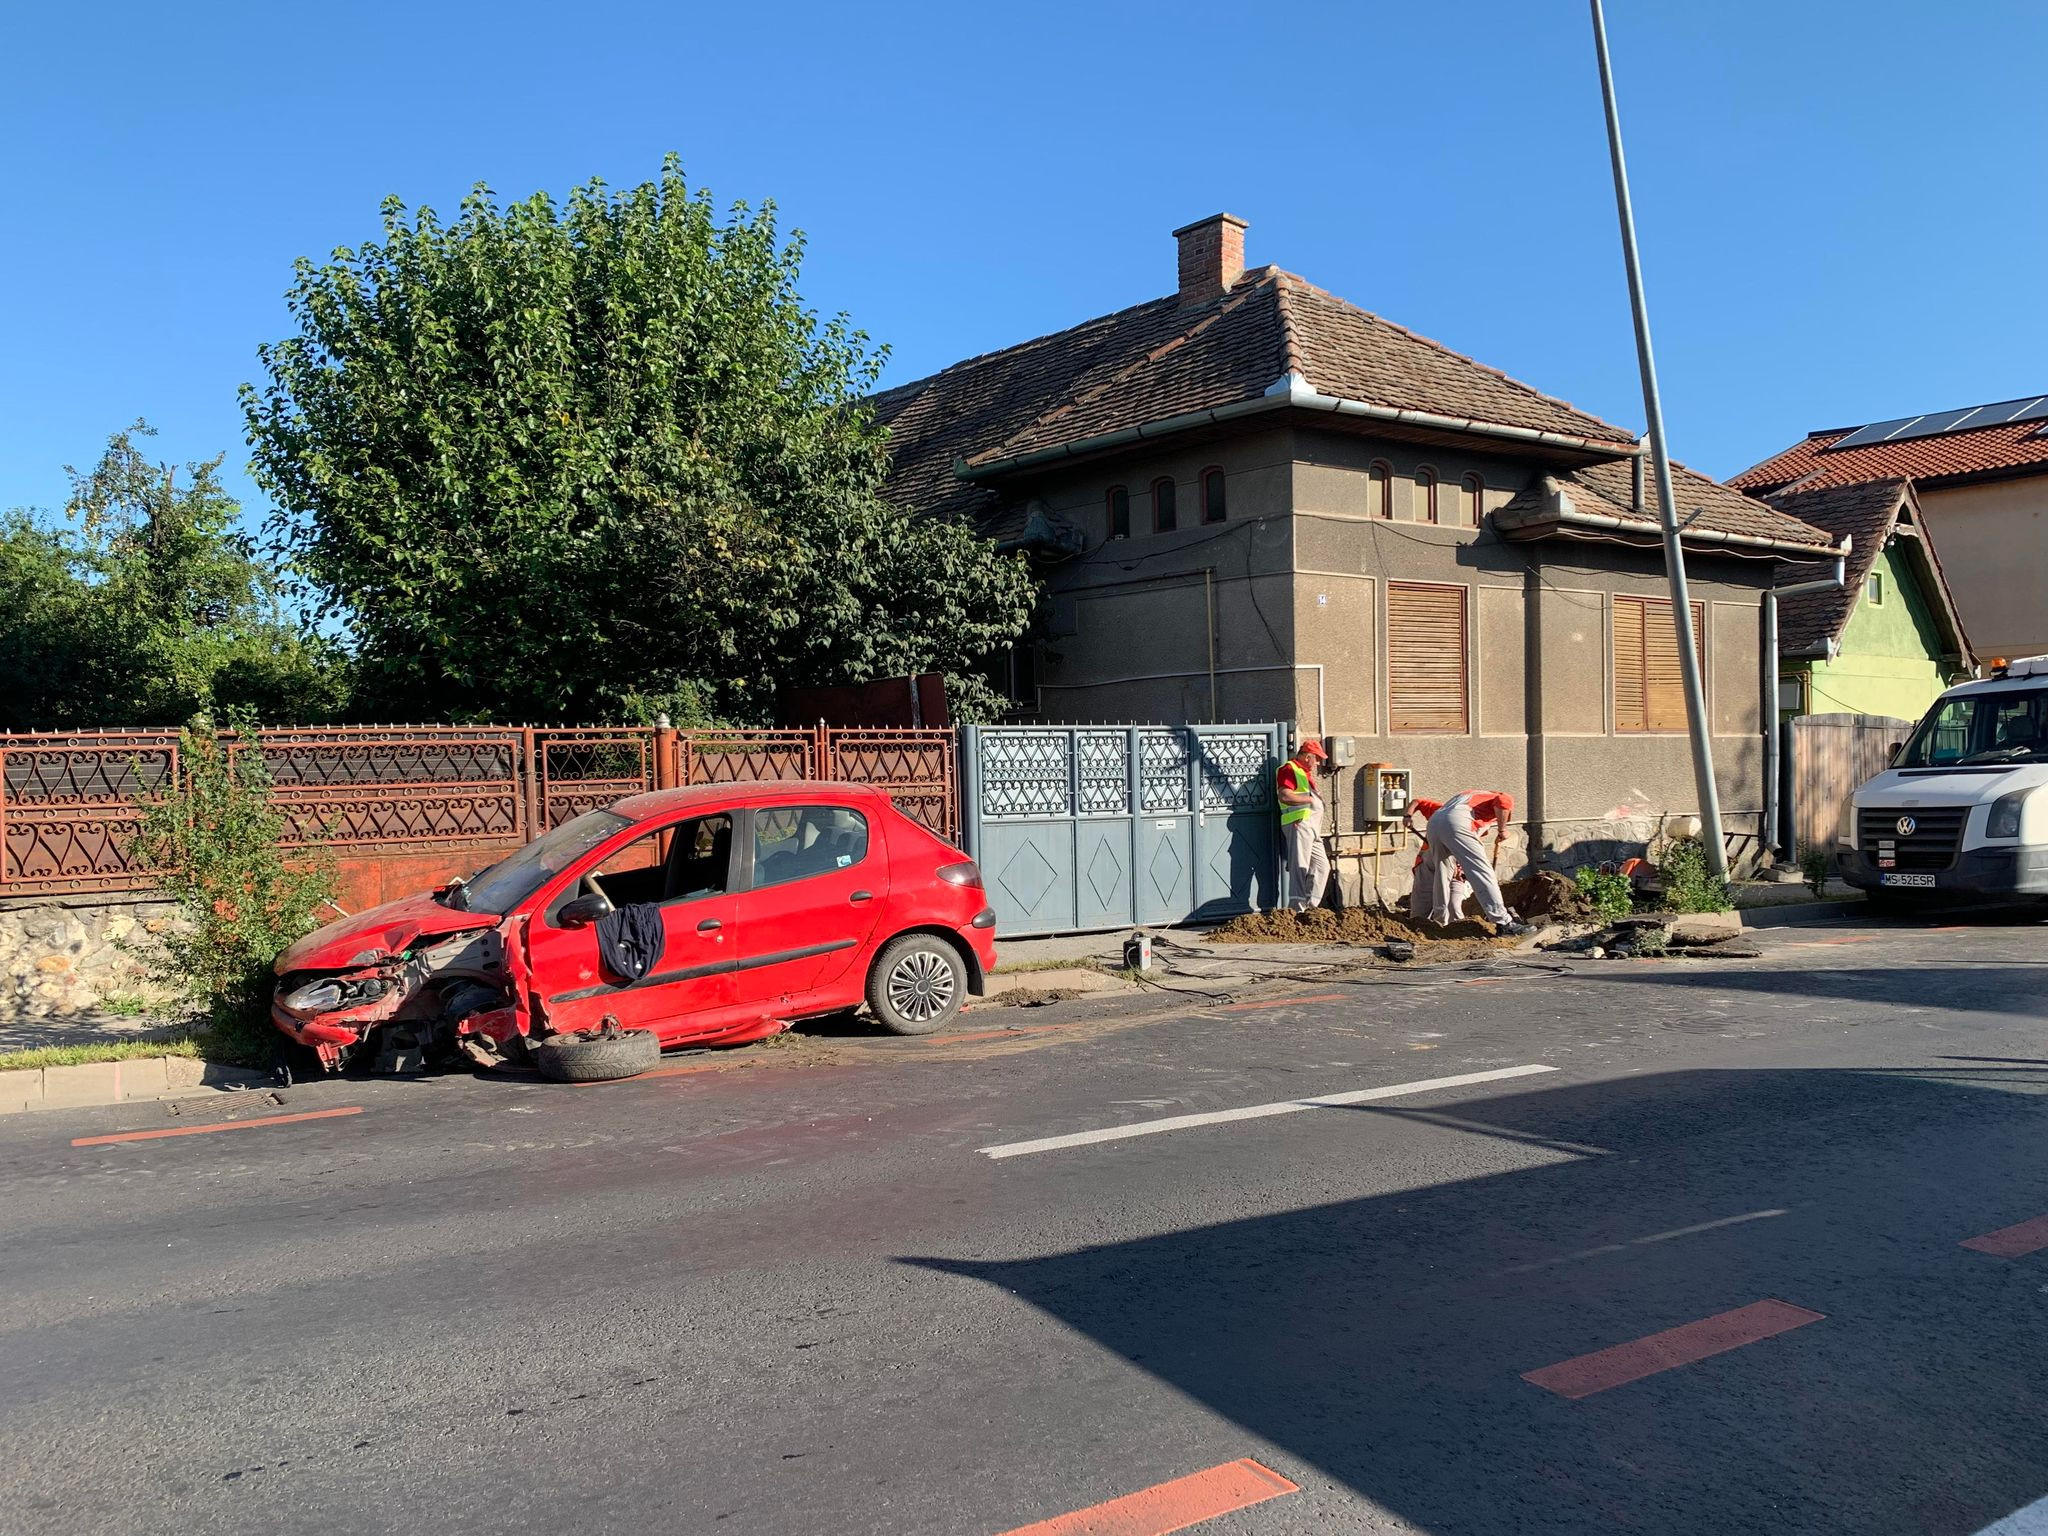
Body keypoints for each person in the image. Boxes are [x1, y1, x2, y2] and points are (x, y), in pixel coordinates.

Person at [1419, 789, 1531, 935]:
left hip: (1435, 823)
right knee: (1482, 871)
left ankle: (1440, 921)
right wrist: (1502, 830)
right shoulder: (1500, 797)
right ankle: (1503, 922)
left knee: (1442, 873)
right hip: (1456, 822)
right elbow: (1504, 802)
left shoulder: (1471, 795)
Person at [1276, 738, 1330, 913]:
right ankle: (1297, 909)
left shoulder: (1303, 772)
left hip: (1312, 829)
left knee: (1322, 866)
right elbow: (1284, 796)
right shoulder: (1289, 769)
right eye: (1317, 758)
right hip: (1299, 825)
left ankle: (1311, 907)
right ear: (1307, 756)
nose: (1318, 762)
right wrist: (1309, 799)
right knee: (1300, 867)